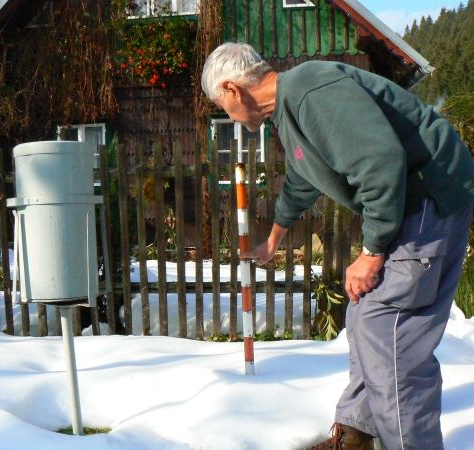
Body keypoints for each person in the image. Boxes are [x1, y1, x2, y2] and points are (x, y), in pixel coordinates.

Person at [201, 42, 474, 450]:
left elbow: (380, 162)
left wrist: (372, 253)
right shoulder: (291, 112)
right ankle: (358, 434)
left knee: (391, 336)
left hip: (427, 199)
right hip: (415, 203)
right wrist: (274, 239)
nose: (229, 116)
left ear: (232, 89)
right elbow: (302, 176)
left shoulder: (313, 90)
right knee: (365, 314)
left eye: (221, 106)